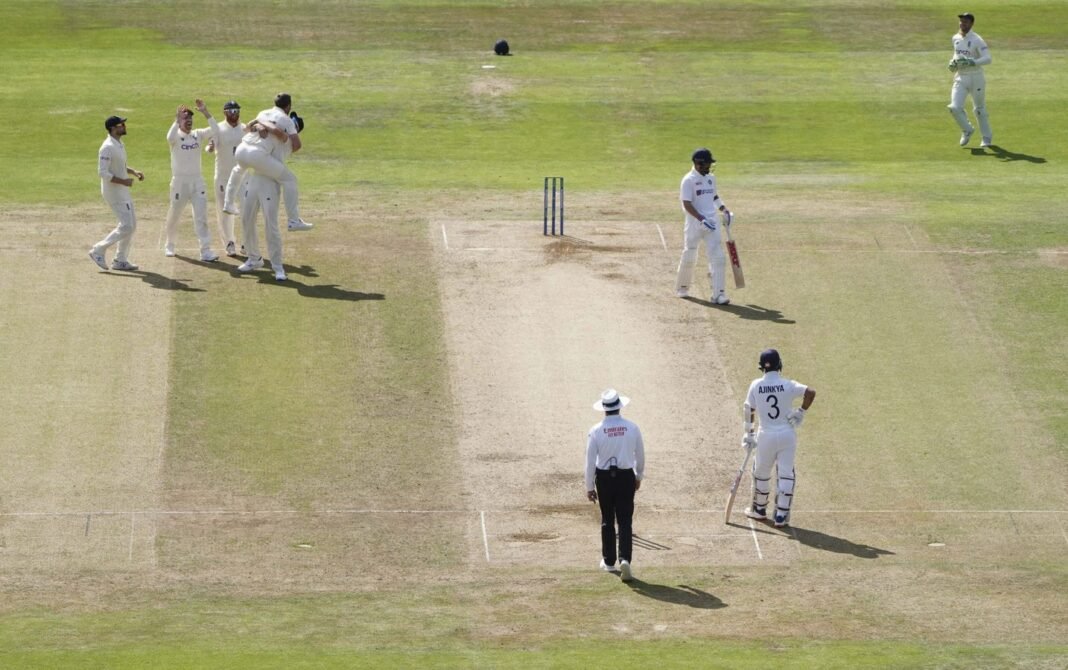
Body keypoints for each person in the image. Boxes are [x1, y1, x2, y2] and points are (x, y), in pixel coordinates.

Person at [742, 349, 816, 528]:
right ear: (779, 364)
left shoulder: (756, 385)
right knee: (786, 473)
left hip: (765, 435)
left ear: (762, 367)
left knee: (761, 472)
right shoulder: (787, 384)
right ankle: (781, 515)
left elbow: (749, 409)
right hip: (786, 435)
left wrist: (749, 433)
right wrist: (801, 411)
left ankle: (759, 510)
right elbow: (811, 392)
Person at [221, 92, 313, 232]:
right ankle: (293, 220)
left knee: (238, 170)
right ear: (288, 106)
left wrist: (259, 123)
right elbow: (295, 143)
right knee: (290, 180)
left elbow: (246, 128)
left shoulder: (262, 113)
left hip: (241, 149)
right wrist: (267, 127)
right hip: (257, 155)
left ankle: (228, 203)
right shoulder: (286, 121)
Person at [585, 389, 645, 583]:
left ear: (604, 409)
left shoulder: (595, 430)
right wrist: (639, 476)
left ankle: (609, 560)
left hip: (604, 478)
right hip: (626, 476)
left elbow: (590, 462)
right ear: (619, 406)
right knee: (625, 519)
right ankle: (625, 558)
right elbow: (640, 455)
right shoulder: (632, 428)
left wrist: (589, 487)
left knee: (607, 519)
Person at [163, 99, 221, 261]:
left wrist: (205, 112)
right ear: (179, 121)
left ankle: (205, 250)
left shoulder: (197, 135)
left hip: (197, 182)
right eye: (185, 119)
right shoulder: (175, 137)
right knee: (174, 214)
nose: (188, 122)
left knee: (201, 217)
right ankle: (170, 245)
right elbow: (169, 137)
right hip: (179, 183)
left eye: (190, 119)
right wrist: (176, 120)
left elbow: (215, 130)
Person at [675, 148, 734, 304]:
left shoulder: (711, 178)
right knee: (690, 254)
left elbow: (714, 196)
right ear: (698, 163)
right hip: (694, 224)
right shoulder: (687, 180)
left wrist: (724, 209)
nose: (709, 167)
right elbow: (686, 204)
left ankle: (718, 294)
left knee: (718, 257)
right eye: (707, 164)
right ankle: (682, 288)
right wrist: (701, 218)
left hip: (712, 224)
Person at [89, 115, 144, 271]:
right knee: (127, 225)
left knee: (131, 225)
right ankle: (98, 249)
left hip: (122, 191)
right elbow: (103, 173)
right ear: (113, 128)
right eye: (121, 124)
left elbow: (119, 166)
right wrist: (124, 181)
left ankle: (120, 260)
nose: (124, 126)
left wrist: (133, 172)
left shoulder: (119, 144)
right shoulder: (107, 147)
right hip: (113, 192)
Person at [206, 100, 247, 256]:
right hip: (223, 178)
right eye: (231, 111)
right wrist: (210, 147)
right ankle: (229, 242)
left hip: (243, 177)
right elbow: (211, 145)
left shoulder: (245, 129)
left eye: (236, 111)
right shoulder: (219, 129)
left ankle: (246, 243)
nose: (234, 114)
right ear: (225, 112)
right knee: (224, 211)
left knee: (246, 210)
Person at [947, 12, 993, 147]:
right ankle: (967, 129)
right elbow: (957, 54)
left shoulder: (977, 40)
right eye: (961, 21)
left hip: (976, 77)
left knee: (979, 109)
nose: (962, 24)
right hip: (961, 77)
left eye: (965, 22)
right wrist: (952, 63)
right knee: (954, 107)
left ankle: (986, 137)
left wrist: (972, 62)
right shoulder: (955, 38)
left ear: (971, 24)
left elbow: (988, 58)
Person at [236, 174, 287, 281]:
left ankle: (278, 267)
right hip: (252, 182)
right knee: (246, 221)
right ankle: (254, 259)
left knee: (271, 225)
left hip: (270, 184)